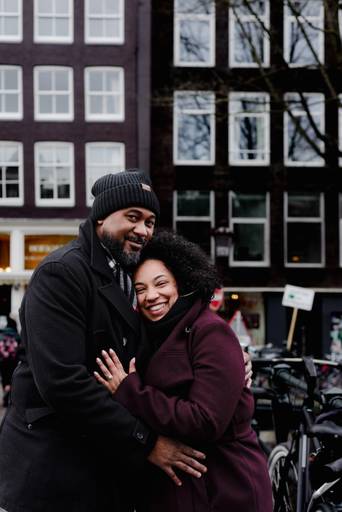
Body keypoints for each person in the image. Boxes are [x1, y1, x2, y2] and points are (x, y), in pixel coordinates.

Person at [0, 170, 208, 512]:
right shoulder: (61, 273)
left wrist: (226, 358)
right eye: (132, 217)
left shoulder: (135, 277)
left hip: (104, 474)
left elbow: (171, 340)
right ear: (100, 218)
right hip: (52, 474)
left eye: (151, 221)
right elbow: (63, 382)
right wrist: (146, 441)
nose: (143, 230)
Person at [95, 230, 273, 512]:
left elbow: (205, 420)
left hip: (225, 489)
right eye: (140, 289)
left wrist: (129, 391)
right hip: (176, 493)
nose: (151, 296)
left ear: (183, 281)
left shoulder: (210, 332)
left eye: (160, 283)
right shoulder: (148, 335)